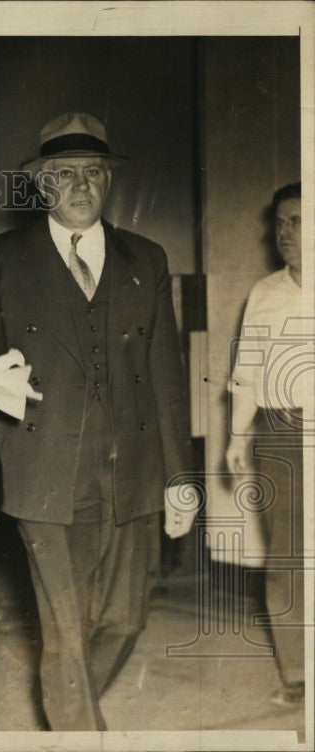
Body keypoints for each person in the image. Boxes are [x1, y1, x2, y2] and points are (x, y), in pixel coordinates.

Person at [0, 112, 200, 730]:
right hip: (40, 474)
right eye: (64, 174)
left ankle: (69, 716)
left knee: (123, 621)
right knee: (66, 632)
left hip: (132, 472)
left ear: (110, 180)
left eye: (94, 172)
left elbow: (168, 378)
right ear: (41, 183)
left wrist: (182, 477)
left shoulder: (146, 257)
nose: (81, 185)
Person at [226, 182, 307, 706]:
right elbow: (247, 371)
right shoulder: (264, 292)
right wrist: (237, 435)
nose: (282, 232)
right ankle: (299, 673)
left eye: (296, 220)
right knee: (288, 558)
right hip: (282, 434)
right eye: (278, 222)